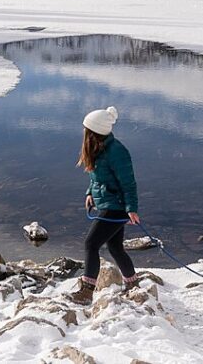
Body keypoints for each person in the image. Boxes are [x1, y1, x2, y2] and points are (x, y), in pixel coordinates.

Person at [67, 106, 142, 305]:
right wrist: (90, 193)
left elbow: (129, 183)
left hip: (116, 206)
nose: (83, 133)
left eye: (86, 130)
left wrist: (131, 208)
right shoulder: (98, 148)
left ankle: (86, 292)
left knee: (91, 244)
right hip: (108, 203)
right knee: (115, 247)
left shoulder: (117, 151)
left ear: (94, 132)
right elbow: (97, 178)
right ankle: (133, 285)